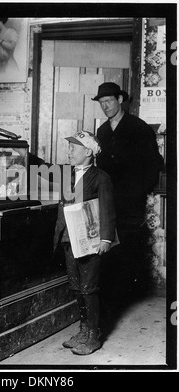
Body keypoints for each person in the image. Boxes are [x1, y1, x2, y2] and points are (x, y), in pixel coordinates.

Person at [30, 131, 116, 355]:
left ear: (88, 152)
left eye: (73, 148)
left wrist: (105, 238)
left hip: (90, 242)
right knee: (76, 287)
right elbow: (43, 167)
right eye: (68, 148)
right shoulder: (67, 172)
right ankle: (83, 330)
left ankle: (93, 335)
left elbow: (107, 209)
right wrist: (21, 151)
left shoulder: (101, 177)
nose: (69, 152)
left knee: (89, 288)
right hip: (68, 238)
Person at [92, 82, 164, 307]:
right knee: (108, 245)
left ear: (120, 100)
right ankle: (112, 297)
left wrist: (139, 190)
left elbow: (155, 163)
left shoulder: (138, 127)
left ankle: (125, 298)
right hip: (108, 199)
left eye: (109, 101)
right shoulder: (102, 131)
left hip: (131, 200)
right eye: (102, 103)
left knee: (128, 246)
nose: (105, 106)